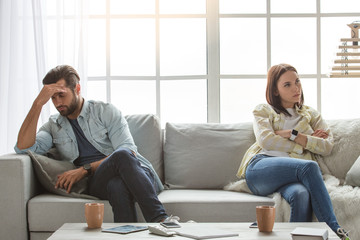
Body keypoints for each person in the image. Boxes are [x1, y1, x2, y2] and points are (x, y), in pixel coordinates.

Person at [14, 65, 177, 223]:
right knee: (113, 180)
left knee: (119, 175)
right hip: (98, 183)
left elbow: (129, 150)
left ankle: (134, 231)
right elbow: (24, 148)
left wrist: (84, 169)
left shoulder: (105, 111)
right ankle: (162, 221)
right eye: (52, 98)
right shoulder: (53, 125)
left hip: (138, 174)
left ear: (77, 89)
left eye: (61, 95)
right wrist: (37, 104)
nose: (57, 103)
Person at [236, 64, 350, 240]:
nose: (296, 88)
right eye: (287, 85)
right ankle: (336, 232)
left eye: (297, 82)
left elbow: (327, 146)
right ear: (275, 90)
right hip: (261, 168)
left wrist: (293, 135)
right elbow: (266, 140)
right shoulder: (263, 110)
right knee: (309, 167)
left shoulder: (311, 114)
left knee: (301, 195)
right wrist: (304, 141)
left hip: (291, 176)